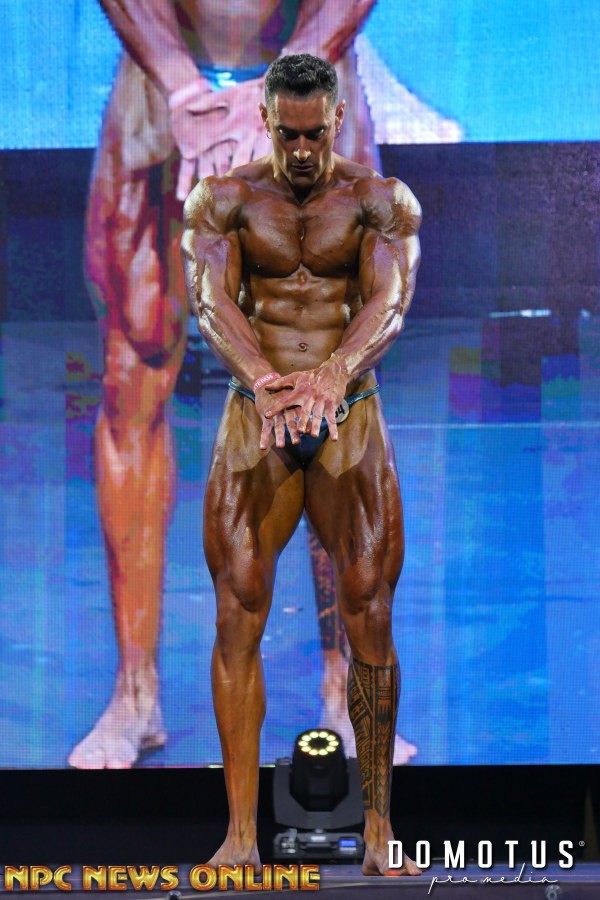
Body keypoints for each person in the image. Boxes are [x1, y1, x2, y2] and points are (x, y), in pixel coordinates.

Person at [70, 0, 420, 769]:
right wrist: (181, 85)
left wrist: (281, 88)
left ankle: (347, 688)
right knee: (135, 367)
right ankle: (135, 692)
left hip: (309, 87)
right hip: (162, 86)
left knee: (335, 383)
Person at [181, 53, 422, 876]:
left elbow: (389, 302)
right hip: (260, 413)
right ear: (266, 121)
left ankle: (380, 832)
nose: (303, 150)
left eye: (315, 133)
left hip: (347, 412)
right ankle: (241, 836)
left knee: (369, 610)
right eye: (288, 135)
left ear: (338, 119)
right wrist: (266, 380)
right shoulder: (227, 200)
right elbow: (211, 301)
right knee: (238, 608)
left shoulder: (376, 201)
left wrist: (333, 372)